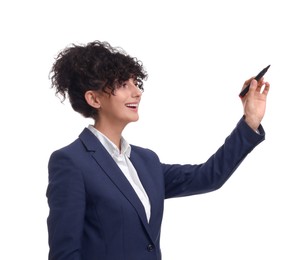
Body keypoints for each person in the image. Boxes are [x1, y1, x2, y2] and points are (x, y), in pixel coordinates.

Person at [46, 40, 270, 260]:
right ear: (94, 98)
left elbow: (208, 176)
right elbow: (64, 253)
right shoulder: (71, 162)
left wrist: (249, 121)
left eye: (136, 83)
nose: (137, 92)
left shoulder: (146, 161)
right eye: (124, 85)